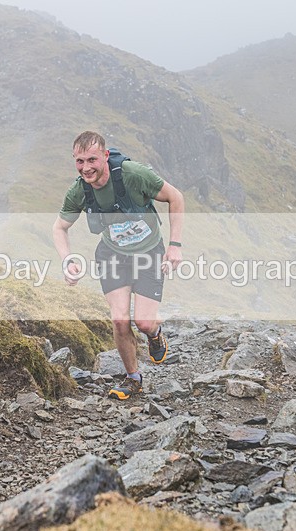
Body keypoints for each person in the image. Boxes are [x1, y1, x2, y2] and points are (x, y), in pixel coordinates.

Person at [53, 131, 184, 400]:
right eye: (79, 161)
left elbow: (176, 197)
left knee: (144, 323)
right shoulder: (79, 190)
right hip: (112, 255)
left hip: (149, 253)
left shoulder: (133, 175)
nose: (86, 167)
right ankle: (133, 378)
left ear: (105, 155)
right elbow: (59, 227)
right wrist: (67, 259)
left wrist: (175, 246)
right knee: (119, 319)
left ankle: (155, 334)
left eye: (91, 159)